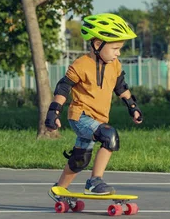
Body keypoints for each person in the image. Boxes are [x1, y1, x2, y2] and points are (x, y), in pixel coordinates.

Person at [45, 13, 143, 201]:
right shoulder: (81, 65)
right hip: (80, 116)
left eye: (119, 48)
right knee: (109, 136)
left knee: (80, 158)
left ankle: (59, 190)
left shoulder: (114, 65)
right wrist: (53, 112)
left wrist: (132, 107)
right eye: (115, 48)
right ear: (98, 44)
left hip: (98, 118)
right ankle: (94, 182)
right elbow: (64, 87)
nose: (118, 53)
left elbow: (120, 86)